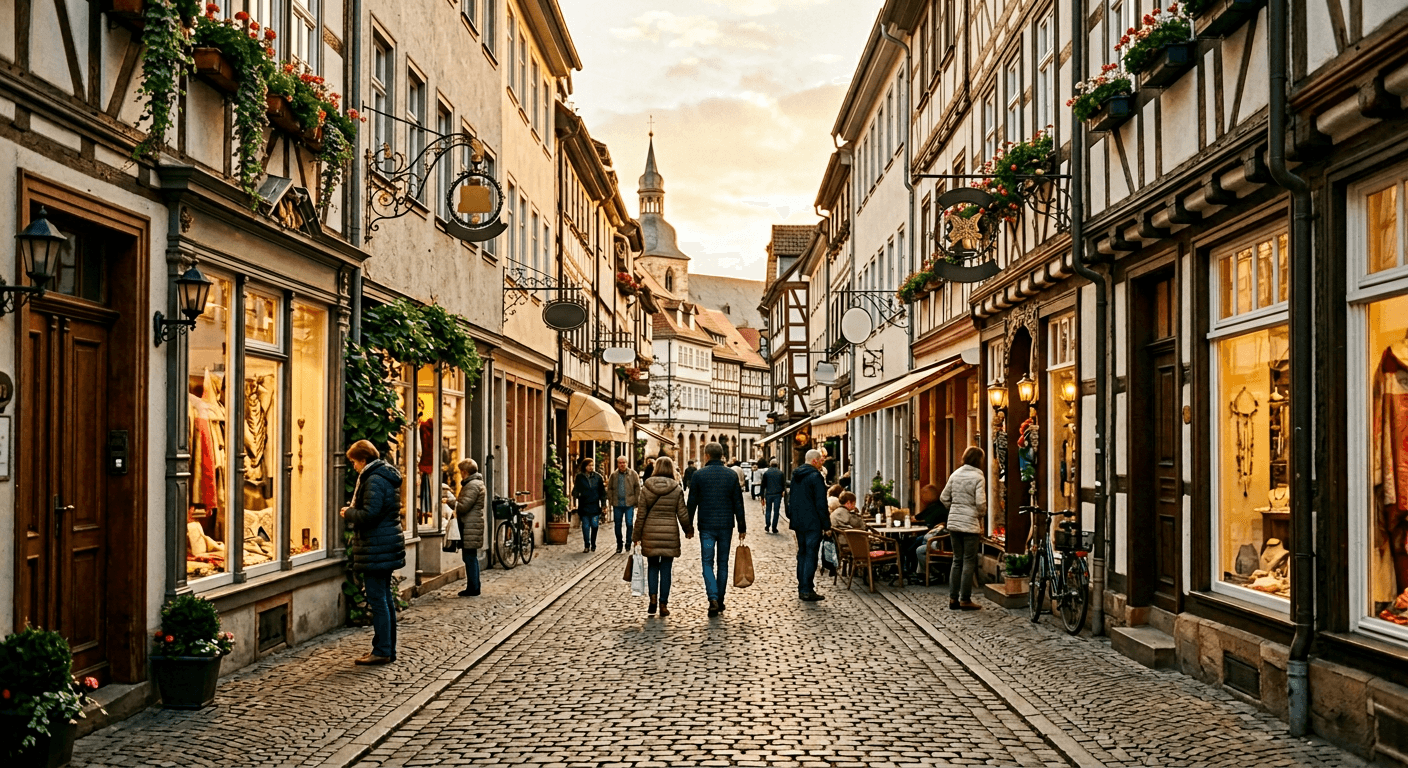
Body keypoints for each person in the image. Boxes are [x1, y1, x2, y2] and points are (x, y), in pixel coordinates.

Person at [341, 440, 405, 665]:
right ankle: (385, 647)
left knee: (379, 600)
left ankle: (383, 649)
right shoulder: (383, 476)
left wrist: (349, 513)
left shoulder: (374, 480)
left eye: (353, 462)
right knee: (384, 598)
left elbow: (370, 515)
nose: (353, 467)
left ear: (363, 460)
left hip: (377, 547)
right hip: (384, 546)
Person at [687, 442, 746, 617]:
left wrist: (688, 525)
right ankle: (720, 599)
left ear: (706, 455)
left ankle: (712, 597)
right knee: (722, 563)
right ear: (721, 456)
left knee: (707, 562)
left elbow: (692, 503)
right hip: (726, 525)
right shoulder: (731, 475)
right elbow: (738, 503)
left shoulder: (699, 475)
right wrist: (742, 526)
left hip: (706, 526)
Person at [634, 457, 694, 618]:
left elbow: (641, 515)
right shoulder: (676, 488)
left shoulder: (647, 487)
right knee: (666, 569)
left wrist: (636, 535)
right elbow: (682, 513)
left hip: (650, 532)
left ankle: (652, 599)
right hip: (669, 533)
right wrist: (688, 529)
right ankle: (663, 604)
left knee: (653, 566)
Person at [943, 447, 988, 610]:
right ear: (979, 460)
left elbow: (943, 497)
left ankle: (953, 599)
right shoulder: (978, 476)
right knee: (969, 561)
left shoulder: (955, 474)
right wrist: (979, 515)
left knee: (957, 560)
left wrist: (954, 509)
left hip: (954, 523)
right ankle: (965, 599)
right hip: (969, 524)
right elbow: (980, 503)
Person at [789, 449, 830, 602]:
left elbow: (790, 497)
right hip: (813, 522)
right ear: (814, 461)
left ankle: (802, 587)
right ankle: (807, 589)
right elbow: (821, 503)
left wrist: (791, 516)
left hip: (799, 522)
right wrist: (826, 525)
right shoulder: (815, 477)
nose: (821, 463)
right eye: (820, 461)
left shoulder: (796, 475)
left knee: (802, 553)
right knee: (810, 554)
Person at [454, 459, 486, 597]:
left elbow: (463, 507)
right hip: (472, 524)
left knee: (469, 557)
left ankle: (473, 588)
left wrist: (450, 499)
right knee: (470, 557)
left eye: (461, 471)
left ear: (464, 472)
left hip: (470, 525)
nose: (460, 474)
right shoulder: (475, 483)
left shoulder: (472, 485)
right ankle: (474, 586)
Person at [913, 484, 950, 582]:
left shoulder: (936, 507)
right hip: (933, 537)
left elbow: (920, 519)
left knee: (915, 544)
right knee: (916, 543)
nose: (921, 496)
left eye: (923, 493)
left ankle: (930, 573)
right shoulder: (933, 506)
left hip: (939, 541)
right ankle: (921, 573)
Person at [607, 456, 642, 554]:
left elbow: (637, 488)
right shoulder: (614, 475)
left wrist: (636, 500)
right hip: (617, 504)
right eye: (620, 463)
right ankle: (619, 544)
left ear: (627, 463)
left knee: (629, 524)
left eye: (624, 463)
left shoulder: (633, 474)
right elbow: (610, 488)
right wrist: (611, 499)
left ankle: (628, 543)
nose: (622, 464)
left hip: (629, 503)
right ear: (617, 464)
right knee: (617, 525)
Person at [573, 457, 606, 552]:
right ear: (585, 466)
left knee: (595, 525)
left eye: (592, 465)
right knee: (586, 526)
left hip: (595, 505)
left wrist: (603, 504)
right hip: (584, 505)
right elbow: (575, 490)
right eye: (589, 465)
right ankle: (587, 545)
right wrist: (577, 495)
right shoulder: (580, 477)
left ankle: (593, 543)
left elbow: (602, 492)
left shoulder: (598, 477)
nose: (591, 467)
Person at [762, 459, 786, 533]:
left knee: (768, 510)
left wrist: (762, 495)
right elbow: (783, 484)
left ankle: (767, 525)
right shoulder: (781, 473)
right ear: (777, 464)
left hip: (769, 494)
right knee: (776, 511)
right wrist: (783, 491)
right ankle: (774, 527)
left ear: (770, 464)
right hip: (777, 494)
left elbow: (763, 485)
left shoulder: (766, 473)